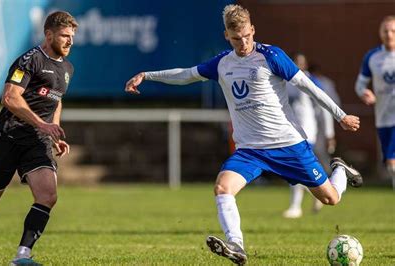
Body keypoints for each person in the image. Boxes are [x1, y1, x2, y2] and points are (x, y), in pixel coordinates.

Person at [125, 4, 362, 265]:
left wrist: (341, 116)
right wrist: (147, 75)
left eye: (247, 36)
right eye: (236, 38)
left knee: (331, 198)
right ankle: (236, 245)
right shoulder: (222, 63)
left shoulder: (271, 56)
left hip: (289, 145)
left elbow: (309, 87)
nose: (243, 43)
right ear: (227, 35)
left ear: (253, 29)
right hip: (250, 150)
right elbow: (186, 75)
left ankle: (340, 169)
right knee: (222, 188)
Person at [0, 11, 77, 265]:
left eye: (72, 36)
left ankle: (22, 256)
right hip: (8, 135)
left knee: (48, 195)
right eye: (64, 35)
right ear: (48, 34)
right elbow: (10, 97)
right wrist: (41, 123)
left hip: (36, 140)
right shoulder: (30, 60)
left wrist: (53, 130)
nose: (70, 41)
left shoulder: (67, 68)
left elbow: (56, 99)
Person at [282, 53, 337, 219]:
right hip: (287, 131)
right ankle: (319, 192)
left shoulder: (310, 81)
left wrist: (329, 134)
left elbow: (324, 107)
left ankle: (295, 207)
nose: (298, 65)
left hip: (306, 131)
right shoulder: (283, 81)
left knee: (297, 168)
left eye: (301, 63)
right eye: (295, 62)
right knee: (292, 169)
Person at [355, 15, 395, 190]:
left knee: (393, 160)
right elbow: (359, 84)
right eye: (385, 30)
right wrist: (365, 93)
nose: (389, 34)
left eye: (393, 30)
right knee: (390, 163)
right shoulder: (373, 57)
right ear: (380, 33)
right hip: (383, 117)